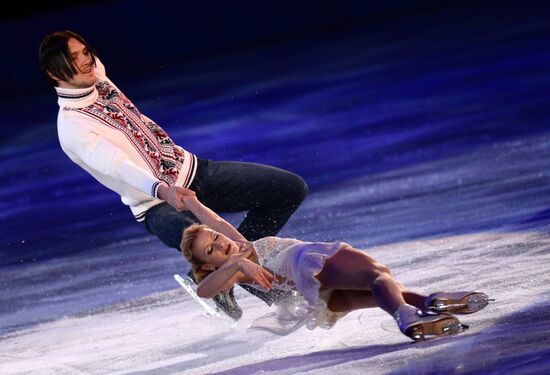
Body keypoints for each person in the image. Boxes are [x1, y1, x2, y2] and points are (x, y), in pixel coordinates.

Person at [38, 30, 308, 319]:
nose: (85, 61)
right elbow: (118, 165)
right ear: (54, 73)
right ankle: (279, 297)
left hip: (193, 170)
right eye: (73, 58)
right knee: (214, 247)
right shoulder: (72, 126)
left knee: (289, 189)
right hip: (156, 205)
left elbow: (87, 60)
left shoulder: (97, 77)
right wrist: (163, 190)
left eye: (84, 52)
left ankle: (213, 273)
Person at [179, 194, 491, 340]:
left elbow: (214, 220)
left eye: (216, 238)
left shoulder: (239, 247)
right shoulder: (236, 263)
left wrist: (191, 202)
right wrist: (235, 263)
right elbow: (205, 290)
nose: (221, 243)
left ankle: (425, 305)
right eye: (212, 250)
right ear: (210, 264)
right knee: (377, 275)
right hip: (308, 261)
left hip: (317, 294)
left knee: (379, 292)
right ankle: (414, 311)